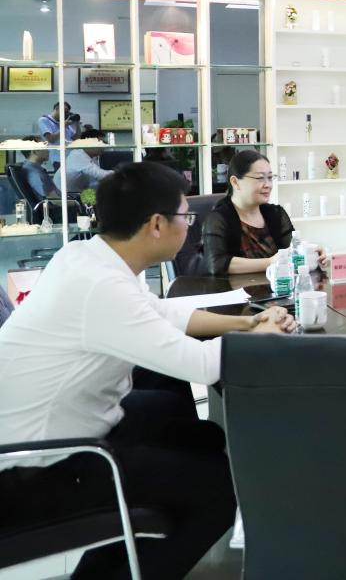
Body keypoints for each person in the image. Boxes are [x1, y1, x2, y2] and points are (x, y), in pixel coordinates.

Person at [0, 161, 295, 579]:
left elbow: (162, 313)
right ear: (157, 224)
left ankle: (119, 554)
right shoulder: (101, 286)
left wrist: (247, 323)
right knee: (217, 488)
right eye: (185, 216)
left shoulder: (86, 257)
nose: (189, 225)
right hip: (34, 469)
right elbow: (201, 364)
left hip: (54, 432)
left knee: (193, 431)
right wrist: (264, 336)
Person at [201, 150, 329, 276]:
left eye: (270, 178)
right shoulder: (218, 219)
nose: (268, 185)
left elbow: (293, 252)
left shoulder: (276, 214)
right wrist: (270, 262)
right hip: (237, 288)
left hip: (279, 286)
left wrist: (312, 254)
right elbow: (216, 264)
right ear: (235, 182)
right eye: (260, 178)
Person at [64, 127, 113, 191]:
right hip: (65, 194)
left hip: (80, 191)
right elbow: (100, 175)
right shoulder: (77, 155)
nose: (103, 146)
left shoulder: (93, 157)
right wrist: (121, 172)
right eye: (100, 143)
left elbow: (94, 181)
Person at [37, 101, 79, 166]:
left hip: (70, 158)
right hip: (58, 159)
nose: (66, 113)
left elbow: (76, 138)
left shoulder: (65, 122)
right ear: (57, 108)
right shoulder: (44, 120)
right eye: (65, 111)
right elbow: (51, 139)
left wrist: (77, 124)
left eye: (67, 112)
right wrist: (64, 125)